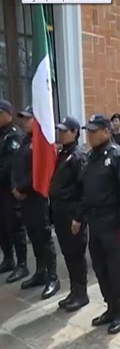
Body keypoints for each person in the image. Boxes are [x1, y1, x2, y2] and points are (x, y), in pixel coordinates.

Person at [75, 114, 120, 334]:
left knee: (116, 269)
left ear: (107, 132)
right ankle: (110, 307)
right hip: (95, 222)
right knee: (99, 267)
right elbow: (85, 192)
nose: (89, 136)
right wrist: (79, 217)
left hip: (113, 223)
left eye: (93, 131)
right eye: (87, 131)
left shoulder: (117, 156)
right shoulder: (91, 157)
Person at [12, 107, 59, 299]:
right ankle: (40, 272)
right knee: (33, 235)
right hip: (23, 198)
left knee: (43, 237)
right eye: (22, 119)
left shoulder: (42, 143)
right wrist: (15, 186)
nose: (24, 122)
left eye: (28, 119)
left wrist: (21, 188)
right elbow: (16, 168)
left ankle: (53, 277)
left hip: (36, 196)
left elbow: (39, 172)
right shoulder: (24, 141)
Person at [50, 117, 89, 312]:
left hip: (72, 213)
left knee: (76, 254)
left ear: (74, 132)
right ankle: (74, 291)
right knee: (67, 253)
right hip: (59, 212)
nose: (60, 133)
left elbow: (84, 191)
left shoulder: (78, 156)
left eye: (65, 131)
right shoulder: (62, 153)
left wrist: (78, 218)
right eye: (60, 130)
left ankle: (81, 293)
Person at [0, 100, 28, 284]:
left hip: (10, 189)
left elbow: (9, 166)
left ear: (7, 114)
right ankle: (8, 259)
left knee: (15, 227)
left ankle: (22, 264)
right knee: (1, 227)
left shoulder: (15, 135)